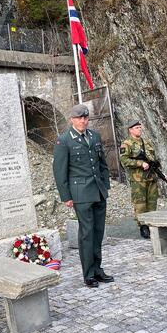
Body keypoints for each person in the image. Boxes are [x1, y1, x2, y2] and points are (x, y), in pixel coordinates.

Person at [53, 104, 113, 288]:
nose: (83, 121)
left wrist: (106, 185)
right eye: (79, 118)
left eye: (85, 118)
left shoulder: (94, 136)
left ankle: (98, 269)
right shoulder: (64, 141)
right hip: (80, 194)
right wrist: (66, 196)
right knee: (87, 233)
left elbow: (102, 163)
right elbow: (59, 171)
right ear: (72, 119)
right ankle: (88, 274)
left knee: (98, 232)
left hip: (98, 191)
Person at [119, 120, 160, 239]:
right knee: (140, 204)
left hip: (151, 177)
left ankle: (152, 224)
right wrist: (139, 163)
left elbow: (152, 157)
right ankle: (143, 226)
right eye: (136, 128)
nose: (139, 129)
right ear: (130, 130)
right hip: (138, 179)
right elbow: (124, 160)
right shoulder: (126, 144)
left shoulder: (147, 142)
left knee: (152, 202)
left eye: (140, 127)